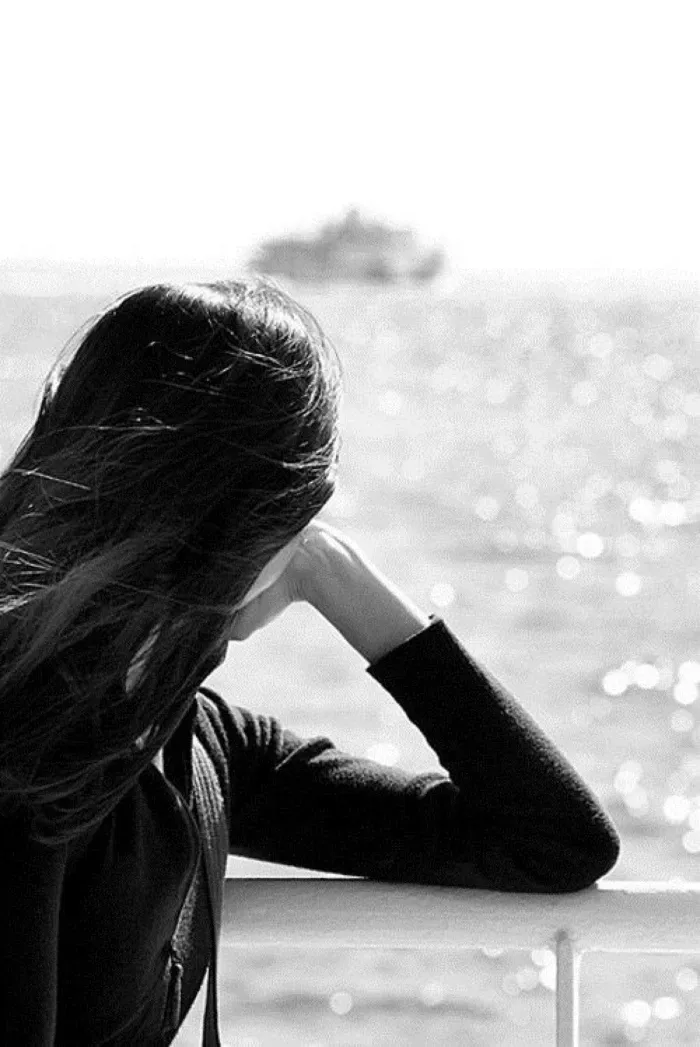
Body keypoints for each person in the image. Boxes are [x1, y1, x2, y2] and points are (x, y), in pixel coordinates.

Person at [0, 276, 620, 1046]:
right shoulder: (29, 754)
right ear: (260, 516)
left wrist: (333, 570)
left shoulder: (196, 748)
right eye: (305, 514)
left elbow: (555, 841)